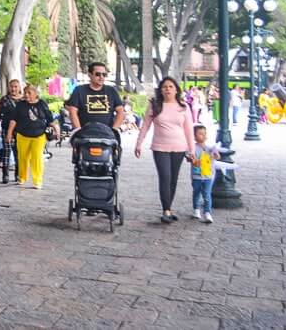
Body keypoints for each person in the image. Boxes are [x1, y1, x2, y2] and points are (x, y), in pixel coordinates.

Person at [135, 76, 195, 223]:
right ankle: (165, 210)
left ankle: (169, 208)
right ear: (160, 90)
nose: (167, 89)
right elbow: (145, 126)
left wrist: (192, 150)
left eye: (170, 87)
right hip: (160, 147)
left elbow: (189, 130)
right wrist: (139, 143)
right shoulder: (155, 105)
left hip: (179, 148)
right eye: (164, 87)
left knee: (173, 179)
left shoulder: (184, 107)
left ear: (176, 90)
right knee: (165, 177)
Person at [65, 62, 125, 157]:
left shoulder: (111, 90)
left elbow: (120, 111)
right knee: (80, 161)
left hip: (107, 134)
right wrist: (78, 130)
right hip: (85, 134)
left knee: (114, 159)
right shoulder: (79, 90)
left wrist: (114, 129)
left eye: (104, 74)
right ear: (89, 75)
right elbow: (72, 111)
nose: (101, 77)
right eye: (98, 74)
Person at [6, 84, 59, 190]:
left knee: (37, 158)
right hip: (22, 135)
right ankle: (22, 177)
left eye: (29, 93)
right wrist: (9, 133)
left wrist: (57, 130)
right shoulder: (20, 105)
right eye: (25, 92)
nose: (26, 95)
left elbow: (50, 119)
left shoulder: (42, 104)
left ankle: (37, 180)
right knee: (23, 158)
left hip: (39, 135)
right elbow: (14, 120)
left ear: (36, 94)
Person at [0, 79, 22, 184]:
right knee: (6, 150)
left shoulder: (23, 100)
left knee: (18, 151)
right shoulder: (4, 99)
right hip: (6, 127)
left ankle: (18, 173)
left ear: (19, 88)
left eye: (15, 86)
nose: (13, 89)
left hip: (20, 129)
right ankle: (5, 174)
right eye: (12, 87)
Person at [190, 124, 220, 223]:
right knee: (196, 193)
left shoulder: (210, 148)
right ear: (194, 136)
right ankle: (196, 210)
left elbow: (217, 157)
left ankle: (207, 212)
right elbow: (192, 161)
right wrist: (195, 160)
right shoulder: (192, 148)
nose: (203, 135)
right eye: (200, 134)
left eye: (204, 133)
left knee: (207, 195)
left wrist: (215, 154)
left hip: (208, 176)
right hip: (197, 176)